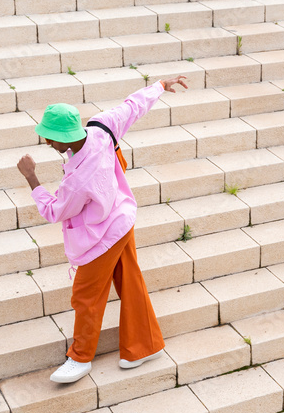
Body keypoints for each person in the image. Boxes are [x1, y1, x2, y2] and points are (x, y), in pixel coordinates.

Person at [17, 76, 189, 383]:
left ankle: (80, 357)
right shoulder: (101, 127)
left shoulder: (78, 180)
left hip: (100, 236)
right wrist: (160, 85)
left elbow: (54, 210)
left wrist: (31, 178)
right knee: (130, 281)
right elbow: (132, 107)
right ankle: (145, 346)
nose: (47, 143)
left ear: (65, 137)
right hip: (122, 219)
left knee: (85, 295)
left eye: (50, 138)